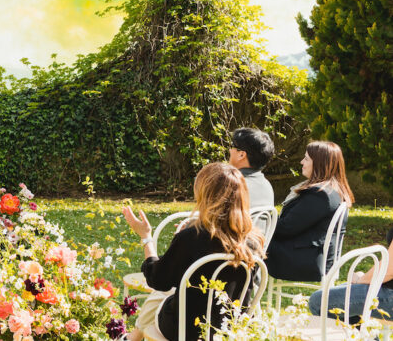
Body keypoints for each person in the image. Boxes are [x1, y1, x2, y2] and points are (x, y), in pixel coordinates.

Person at [122, 163, 264, 341]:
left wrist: (146, 237)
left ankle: (131, 338)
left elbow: (158, 280)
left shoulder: (192, 237)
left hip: (186, 331)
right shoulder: (254, 241)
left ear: (204, 194)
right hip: (231, 329)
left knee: (161, 293)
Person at [266, 141, 354, 282]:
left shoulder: (320, 195)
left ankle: (240, 294)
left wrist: (264, 219)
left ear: (320, 163)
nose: (301, 162)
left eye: (306, 158)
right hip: (311, 256)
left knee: (247, 244)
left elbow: (285, 228)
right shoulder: (333, 191)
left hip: (305, 261)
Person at [227, 128, 275, 208]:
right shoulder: (267, 185)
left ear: (241, 155)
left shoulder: (231, 186)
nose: (230, 150)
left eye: (232, 146)